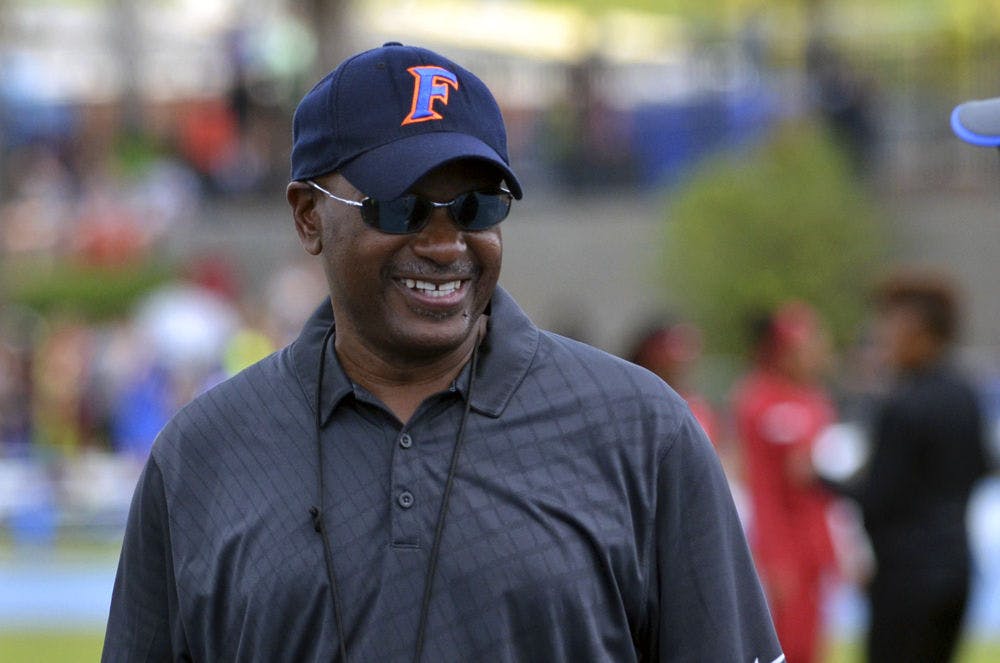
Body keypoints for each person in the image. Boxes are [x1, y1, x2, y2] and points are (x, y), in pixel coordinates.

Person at [102, 43, 782, 662]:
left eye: (476, 207)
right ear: (308, 216)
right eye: (399, 207)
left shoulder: (644, 432)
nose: (443, 242)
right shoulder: (201, 455)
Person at [850, 271, 989, 663]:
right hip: (957, 570)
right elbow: (980, 466)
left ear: (917, 331)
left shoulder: (903, 405)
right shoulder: (965, 395)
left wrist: (819, 479)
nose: (884, 338)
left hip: (905, 577)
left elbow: (876, 497)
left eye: (891, 327)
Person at [731, 301, 838, 663]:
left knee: (812, 641)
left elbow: (819, 488)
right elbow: (763, 486)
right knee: (787, 643)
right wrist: (774, 556)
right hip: (784, 544)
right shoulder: (760, 400)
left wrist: (834, 548)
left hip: (813, 542)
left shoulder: (815, 400)